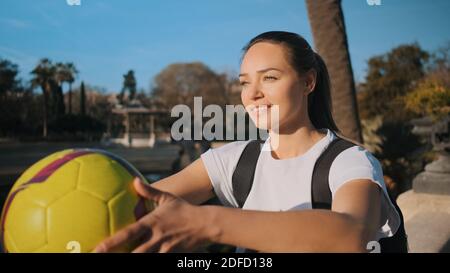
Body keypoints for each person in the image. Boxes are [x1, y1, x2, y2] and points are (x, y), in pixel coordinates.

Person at [94, 31, 401, 253]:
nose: (252, 93)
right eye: (244, 82)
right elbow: (135, 202)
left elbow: (350, 236)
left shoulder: (349, 161)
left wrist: (207, 222)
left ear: (308, 82)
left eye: (269, 78)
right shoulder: (234, 160)